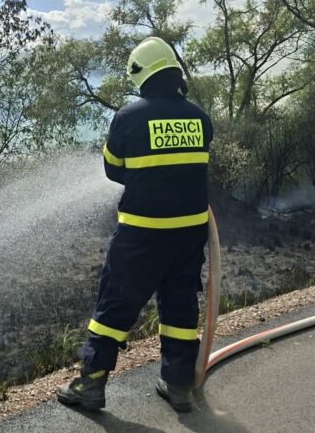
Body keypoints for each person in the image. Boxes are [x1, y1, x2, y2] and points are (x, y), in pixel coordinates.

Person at [57, 36, 213, 413]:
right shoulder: (200, 118)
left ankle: (91, 383)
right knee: (180, 304)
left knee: (116, 303)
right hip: (190, 234)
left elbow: (113, 169)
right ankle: (178, 384)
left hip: (143, 233)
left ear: (141, 75)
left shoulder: (128, 117)